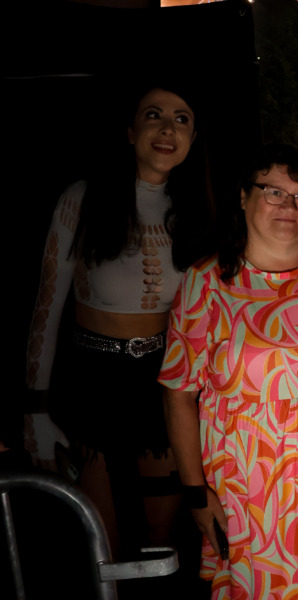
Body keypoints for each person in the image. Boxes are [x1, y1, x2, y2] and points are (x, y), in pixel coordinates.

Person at [159, 143, 298, 599]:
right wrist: (196, 492)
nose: (289, 206)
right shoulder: (207, 281)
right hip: (251, 487)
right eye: (274, 192)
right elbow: (178, 393)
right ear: (243, 196)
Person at [25, 79, 215, 564]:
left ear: (194, 137)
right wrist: (35, 409)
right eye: (154, 115)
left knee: (161, 538)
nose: (168, 129)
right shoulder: (83, 198)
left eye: (182, 119)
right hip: (91, 383)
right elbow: (46, 308)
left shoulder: (198, 213)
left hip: (163, 385)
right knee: (101, 543)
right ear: (130, 131)